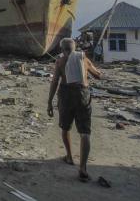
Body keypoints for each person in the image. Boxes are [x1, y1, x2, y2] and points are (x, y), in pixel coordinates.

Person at [47, 38, 102, 182]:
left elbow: (54, 82)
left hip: (65, 95)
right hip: (82, 94)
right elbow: (98, 76)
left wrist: (49, 102)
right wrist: (94, 71)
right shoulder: (83, 59)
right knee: (85, 133)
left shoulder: (59, 61)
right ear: (75, 47)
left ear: (62, 49)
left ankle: (69, 157)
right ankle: (83, 168)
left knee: (65, 128)